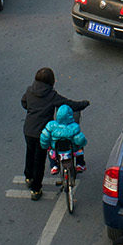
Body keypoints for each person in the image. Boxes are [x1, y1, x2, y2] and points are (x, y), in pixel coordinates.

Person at [21, 68, 89, 201]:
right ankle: (36, 189)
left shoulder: (30, 90)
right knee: (39, 161)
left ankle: (28, 177)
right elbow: (69, 104)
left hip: (28, 129)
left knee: (29, 153)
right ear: (51, 81)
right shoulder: (51, 95)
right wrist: (84, 104)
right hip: (42, 131)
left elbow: (24, 103)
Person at [39, 103, 87, 175]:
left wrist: (45, 146)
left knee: (49, 149)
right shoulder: (74, 126)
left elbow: (44, 137)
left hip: (56, 149)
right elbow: (80, 139)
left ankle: (54, 166)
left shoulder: (51, 125)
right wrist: (83, 143)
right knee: (80, 148)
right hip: (72, 149)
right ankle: (79, 164)